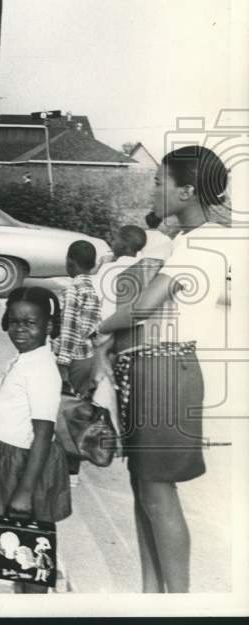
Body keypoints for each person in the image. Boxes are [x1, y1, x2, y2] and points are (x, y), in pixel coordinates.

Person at [91, 145, 229, 593]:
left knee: (157, 492)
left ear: (186, 191)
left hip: (166, 372)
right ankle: (151, 595)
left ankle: (179, 603)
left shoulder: (203, 241)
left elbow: (142, 309)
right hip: (149, 368)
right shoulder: (183, 242)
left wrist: (97, 331)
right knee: (142, 489)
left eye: (158, 181)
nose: (152, 189)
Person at [0, 286, 70, 594]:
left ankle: (34, 605)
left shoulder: (41, 370)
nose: (20, 329)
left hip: (24, 466)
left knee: (29, 558)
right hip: (5, 458)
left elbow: (43, 434)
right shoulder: (25, 360)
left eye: (30, 322)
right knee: (11, 556)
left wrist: (24, 491)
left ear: (48, 326)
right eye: (14, 321)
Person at [50, 240, 102, 396]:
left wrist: (63, 364)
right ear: (93, 265)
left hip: (72, 359)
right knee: (77, 402)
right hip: (88, 356)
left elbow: (69, 328)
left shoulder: (73, 290)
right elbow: (94, 325)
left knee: (62, 402)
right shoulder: (93, 289)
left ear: (69, 262)